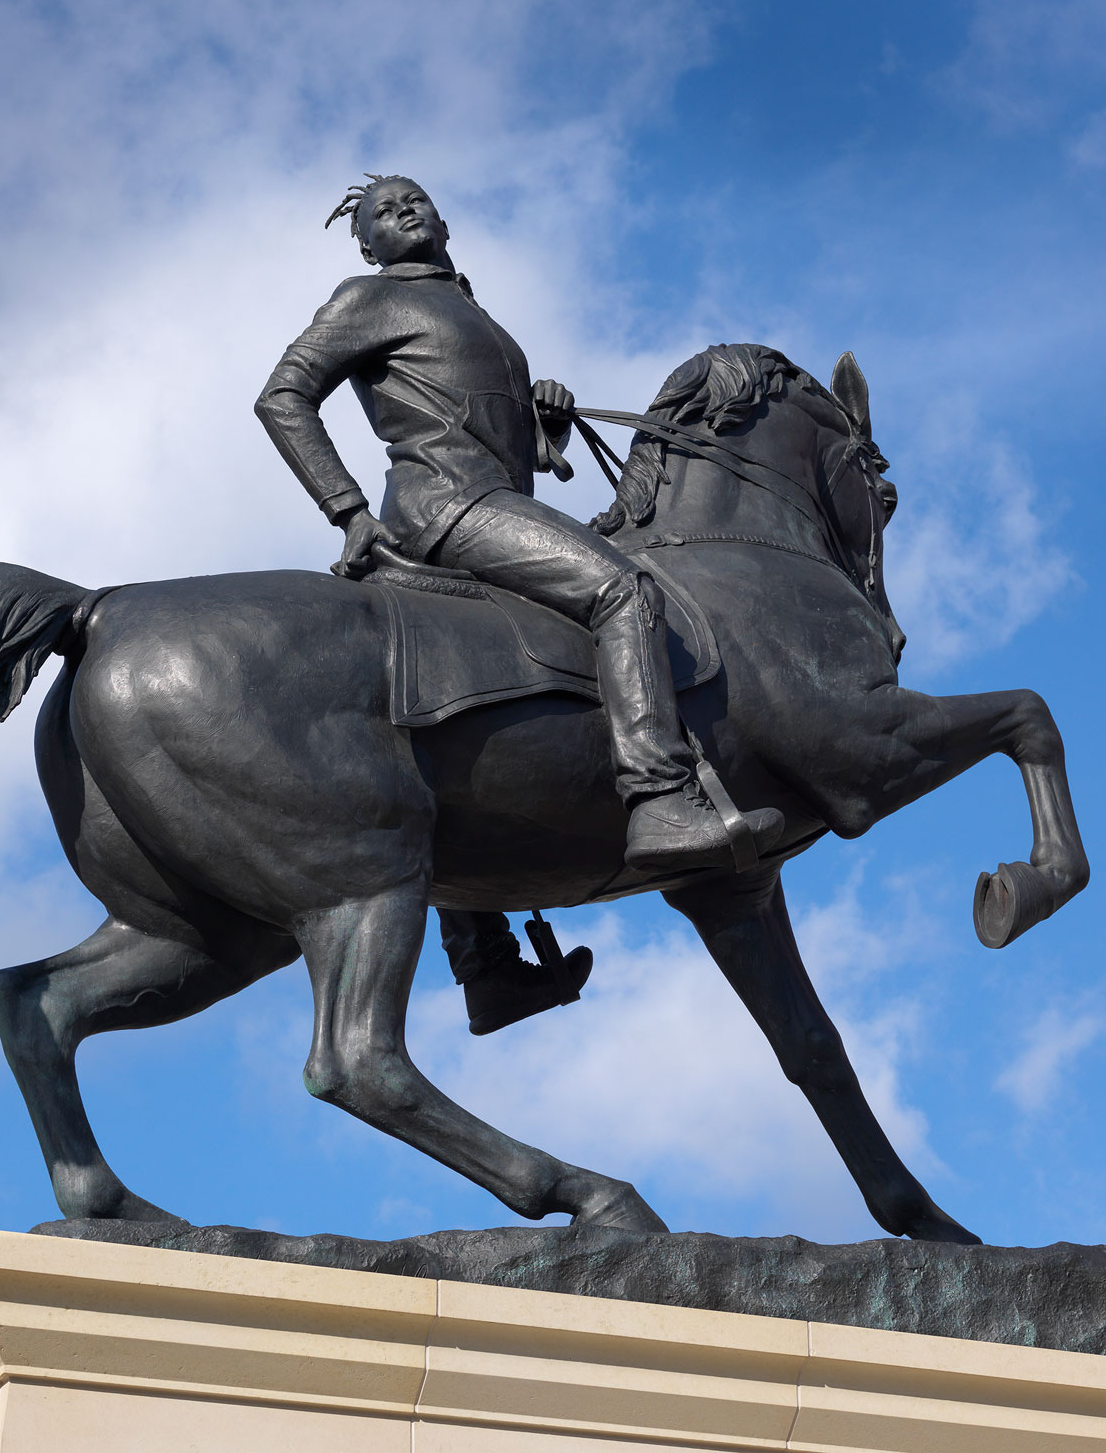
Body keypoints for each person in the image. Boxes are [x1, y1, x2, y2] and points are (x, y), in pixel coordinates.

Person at [254, 176, 782, 1020]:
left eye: (414, 199)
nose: (403, 211)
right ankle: (659, 800)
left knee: (448, 716)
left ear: (443, 217)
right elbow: (283, 394)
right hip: (448, 510)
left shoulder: (477, 317)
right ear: (368, 245)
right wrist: (346, 509)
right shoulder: (369, 298)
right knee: (622, 587)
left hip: (485, 501)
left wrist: (544, 427)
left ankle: (488, 967)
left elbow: (485, 436)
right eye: (383, 212)